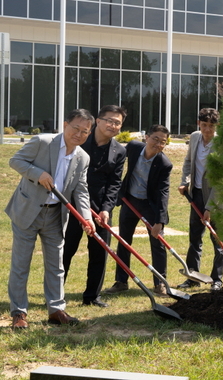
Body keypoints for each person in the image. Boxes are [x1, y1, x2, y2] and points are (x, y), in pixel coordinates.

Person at [5, 109, 95, 329]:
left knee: (56, 265)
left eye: (85, 131)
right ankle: (19, 313)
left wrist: (86, 218)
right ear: (65, 125)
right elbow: (15, 161)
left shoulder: (83, 157)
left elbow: (81, 190)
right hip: (27, 211)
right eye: (76, 128)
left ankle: (56, 310)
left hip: (55, 216)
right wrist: (39, 174)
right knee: (21, 264)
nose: (79, 134)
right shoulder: (43, 142)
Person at [62, 105, 127, 308]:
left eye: (117, 123)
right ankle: (55, 294)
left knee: (99, 254)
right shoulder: (80, 141)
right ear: (97, 121)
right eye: (109, 120)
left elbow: (115, 184)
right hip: (72, 206)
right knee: (66, 251)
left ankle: (92, 297)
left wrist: (106, 209)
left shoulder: (119, 151)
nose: (113, 125)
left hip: (100, 210)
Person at [103, 125, 172, 297]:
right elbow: (116, 158)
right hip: (130, 200)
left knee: (158, 243)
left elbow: (163, 192)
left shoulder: (164, 164)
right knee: (124, 241)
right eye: (155, 139)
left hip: (150, 205)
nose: (158, 144)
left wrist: (159, 221)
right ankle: (121, 281)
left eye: (163, 142)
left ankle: (160, 283)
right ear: (146, 137)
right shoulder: (133, 148)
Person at [177, 108, 223, 291]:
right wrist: (185, 182)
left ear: (216, 126)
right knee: (195, 237)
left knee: (217, 239)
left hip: (216, 197)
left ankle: (217, 279)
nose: (207, 130)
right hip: (196, 194)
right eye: (204, 125)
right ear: (199, 124)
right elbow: (188, 162)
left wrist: (210, 207)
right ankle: (192, 277)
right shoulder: (195, 137)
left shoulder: (222, 146)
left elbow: (221, 180)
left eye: (211, 126)